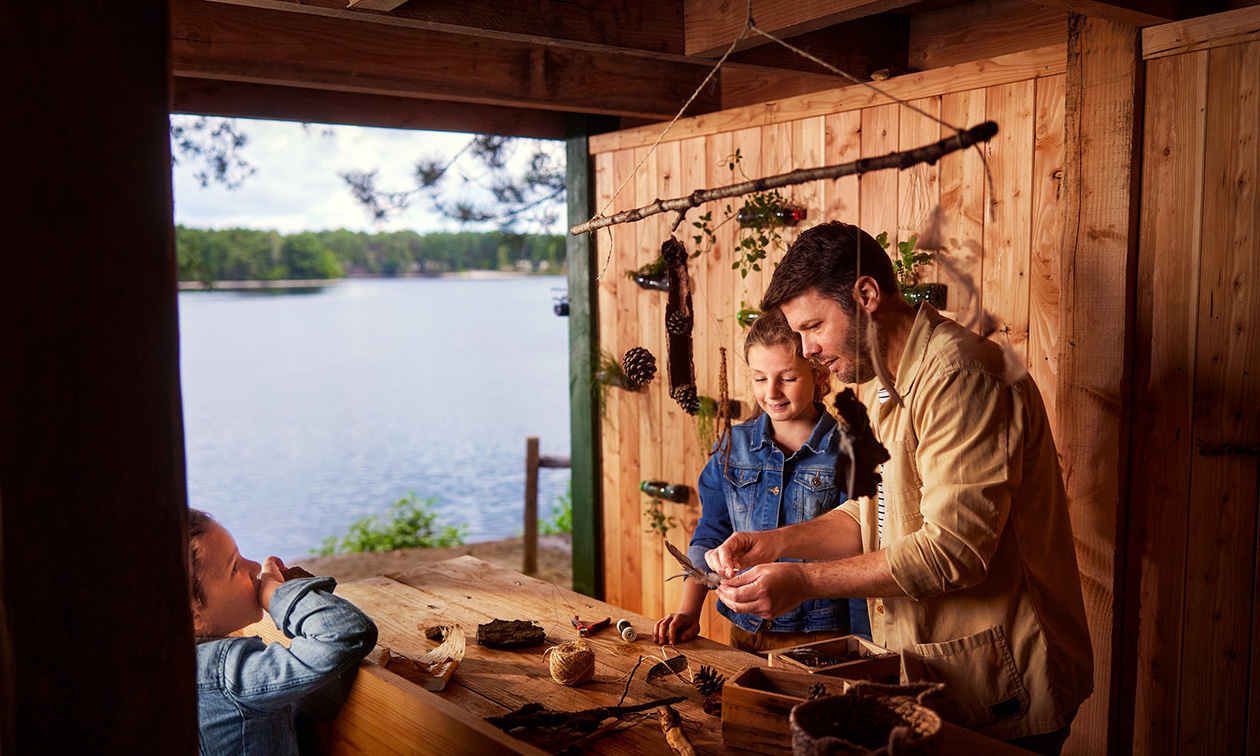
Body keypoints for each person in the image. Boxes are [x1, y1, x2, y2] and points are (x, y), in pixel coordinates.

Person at [707, 222, 1093, 753]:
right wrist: (776, 544)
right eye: (798, 333)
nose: (808, 349)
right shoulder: (886, 386)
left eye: (814, 325)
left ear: (866, 295)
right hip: (939, 675)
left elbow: (954, 551)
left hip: (1004, 680)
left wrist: (805, 582)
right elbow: (870, 515)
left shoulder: (961, 378)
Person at [653, 310, 868, 653]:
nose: (772, 392)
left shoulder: (849, 452)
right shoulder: (731, 447)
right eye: (759, 378)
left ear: (819, 375)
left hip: (822, 637)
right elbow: (711, 531)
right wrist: (689, 611)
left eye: (787, 378)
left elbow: (862, 550)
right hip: (744, 631)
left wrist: (864, 646)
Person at [189, 509, 378, 756]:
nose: (255, 565)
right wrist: (275, 594)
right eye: (234, 567)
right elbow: (344, 632)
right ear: (193, 614)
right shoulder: (228, 678)